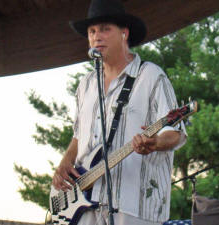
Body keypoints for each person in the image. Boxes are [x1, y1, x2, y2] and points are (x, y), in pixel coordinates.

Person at [52, 0, 187, 224]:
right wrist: (65, 161)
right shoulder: (85, 85)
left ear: (124, 33)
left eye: (105, 29)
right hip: (85, 206)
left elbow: (176, 132)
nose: (97, 36)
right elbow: (79, 135)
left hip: (134, 205)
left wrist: (155, 143)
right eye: (92, 31)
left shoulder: (151, 76)